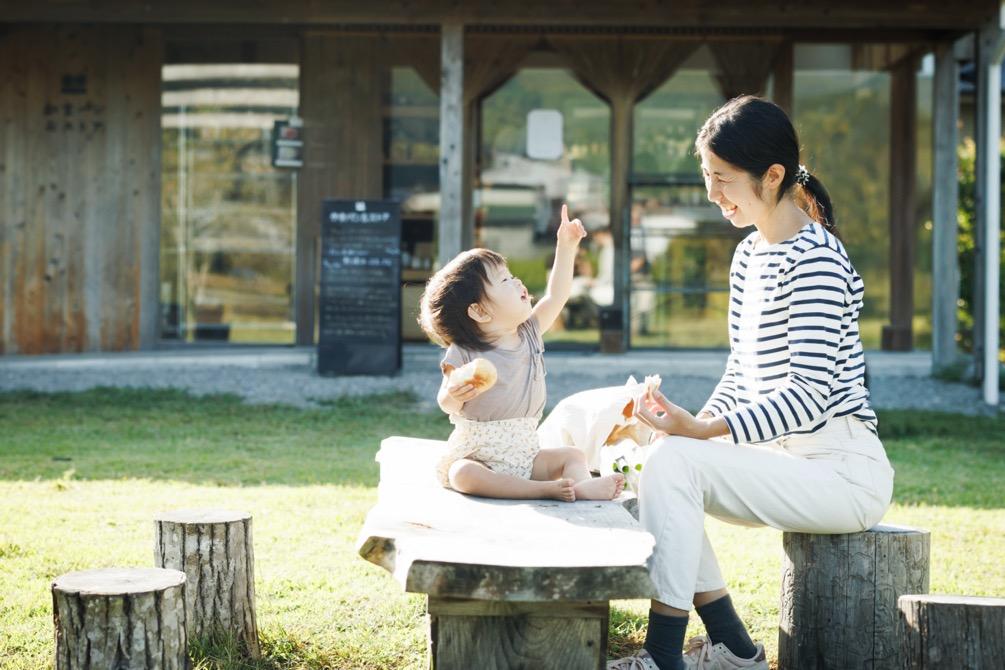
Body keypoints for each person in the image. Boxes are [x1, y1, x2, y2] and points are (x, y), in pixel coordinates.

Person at [608, 96, 894, 670]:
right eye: (706, 176)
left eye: (721, 178)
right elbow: (742, 372)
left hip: (840, 471)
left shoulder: (817, 260)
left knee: (675, 462)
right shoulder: (748, 257)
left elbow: (809, 394)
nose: (712, 192)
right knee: (652, 456)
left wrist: (707, 429)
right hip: (778, 462)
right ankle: (735, 649)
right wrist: (680, 425)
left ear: (773, 176)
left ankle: (663, 655)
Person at [418, 204, 626, 502]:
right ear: (479, 311)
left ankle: (580, 485)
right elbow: (446, 402)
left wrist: (565, 246)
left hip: (526, 454)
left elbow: (557, 294)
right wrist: (455, 393)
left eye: (512, 275)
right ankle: (542, 490)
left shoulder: (528, 332)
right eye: (504, 280)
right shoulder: (465, 351)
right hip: (481, 456)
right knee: (462, 474)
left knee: (572, 455)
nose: (517, 281)